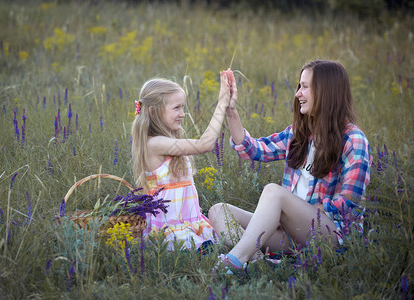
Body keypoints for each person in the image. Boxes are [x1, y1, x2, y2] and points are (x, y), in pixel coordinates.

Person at [208, 60, 372, 272]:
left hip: (332, 238)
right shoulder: (299, 133)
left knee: (273, 193)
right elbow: (254, 150)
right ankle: (257, 261)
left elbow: (349, 205)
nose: (297, 94)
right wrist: (231, 111)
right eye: (299, 86)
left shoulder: (353, 141)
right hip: (291, 235)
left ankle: (235, 261)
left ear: (326, 92)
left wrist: (286, 212)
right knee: (218, 211)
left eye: (305, 87)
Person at [131, 72, 232, 251]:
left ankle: (257, 258)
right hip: (170, 230)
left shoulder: (166, 142)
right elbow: (205, 144)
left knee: (227, 244)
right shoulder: (154, 144)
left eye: (182, 107)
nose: (182, 114)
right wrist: (222, 103)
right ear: (153, 112)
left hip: (191, 224)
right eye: (176, 108)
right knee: (209, 254)